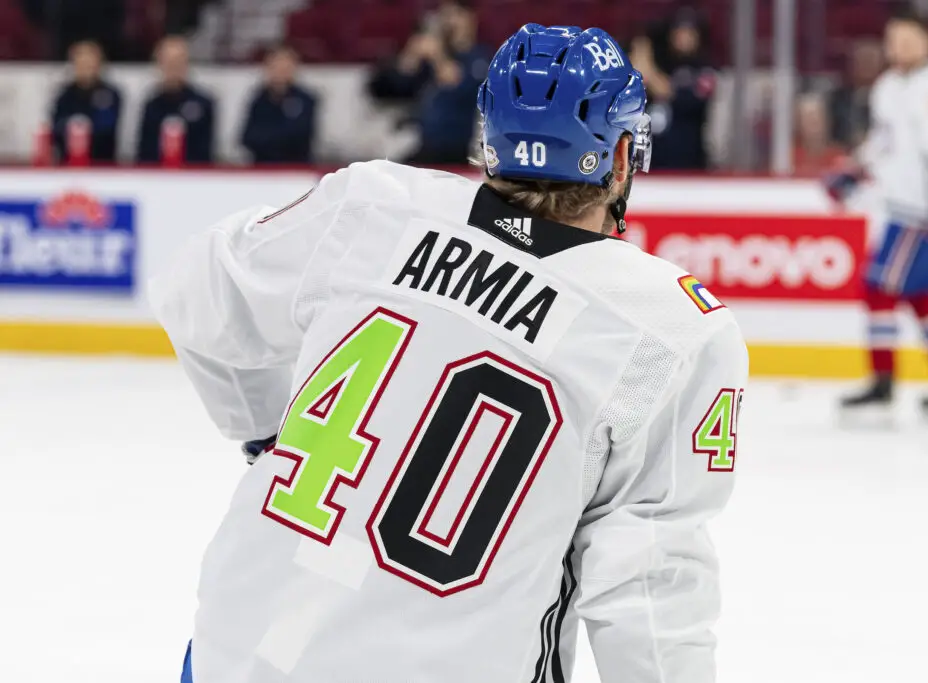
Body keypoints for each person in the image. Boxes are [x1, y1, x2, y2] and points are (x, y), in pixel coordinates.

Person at [152, 24, 746, 683]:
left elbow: (196, 291)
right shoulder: (666, 327)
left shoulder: (375, 204)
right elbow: (651, 590)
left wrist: (263, 428)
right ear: (626, 155)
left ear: (488, 139)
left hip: (238, 651)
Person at [825, 7, 928, 415]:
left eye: (908, 39)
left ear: (927, 40)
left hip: (924, 211)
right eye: (894, 39)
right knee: (922, 295)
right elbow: (883, 141)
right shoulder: (889, 85)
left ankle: (882, 383)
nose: (900, 47)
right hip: (903, 209)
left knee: (879, 287)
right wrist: (856, 170)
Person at [370, 0, 491, 164]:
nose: (449, 21)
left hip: (456, 147)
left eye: (455, 15)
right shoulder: (434, 59)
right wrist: (411, 53)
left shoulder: (479, 57)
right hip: (423, 142)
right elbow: (396, 85)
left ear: (470, 18)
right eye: (445, 15)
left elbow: (455, 82)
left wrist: (437, 54)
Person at [630, 7, 715, 170]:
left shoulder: (704, 68)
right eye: (678, 31)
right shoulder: (663, 61)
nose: (682, 37)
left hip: (688, 161)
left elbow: (667, 91)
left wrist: (647, 66)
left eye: (688, 32)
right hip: (653, 159)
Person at [137, 36, 216, 164]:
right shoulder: (151, 104)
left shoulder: (203, 103)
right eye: (168, 61)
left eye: (178, 61)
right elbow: (144, 150)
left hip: (193, 177)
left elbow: (205, 151)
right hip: (155, 177)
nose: (173, 67)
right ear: (159, 64)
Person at [241, 44, 317, 165]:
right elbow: (247, 138)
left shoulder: (306, 100)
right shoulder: (258, 99)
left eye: (285, 65)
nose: (281, 70)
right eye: (276, 65)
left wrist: (268, 138)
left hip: (296, 168)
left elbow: (301, 136)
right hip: (262, 167)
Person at [50, 40, 122, 164]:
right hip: (68, 163)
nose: (85, 67)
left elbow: (107, 129)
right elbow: (56, 129)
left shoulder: (110, 94)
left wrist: (82, 129)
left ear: (99, 64)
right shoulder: (64, 95)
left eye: (90, 62)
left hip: (102, 164)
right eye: (81, 62)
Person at [827, 39, 884, 151]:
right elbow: (829, 134)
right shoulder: (838, 98)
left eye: (870, 60)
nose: (866, 66)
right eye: (862, 61)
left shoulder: (891, 97)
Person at [792, 93, 846, 175]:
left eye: (818, 116)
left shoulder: (838, 157)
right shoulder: (790, 157)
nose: (814, 122)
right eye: (808, 118)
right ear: (799, 123)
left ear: (827, 121)